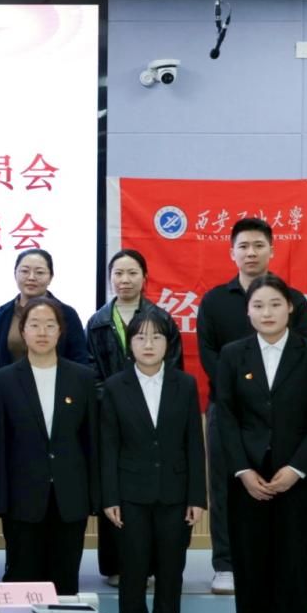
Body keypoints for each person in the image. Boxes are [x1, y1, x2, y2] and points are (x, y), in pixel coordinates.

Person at [215, 274, 307, 613]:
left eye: (275, 304)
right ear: (248, 312)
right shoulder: (233, 354)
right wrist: (243, 471)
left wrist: (297, 468)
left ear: (291, 309)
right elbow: (225, 415)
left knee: (295, 568)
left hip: (299, 483)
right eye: (258, 305)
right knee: (250, 568)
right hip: (247, 482)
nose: (266, 312)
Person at [197, 217, 307, 596]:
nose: (251, 252)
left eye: (258, 245)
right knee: (225, 486)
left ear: (272, 250)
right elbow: (209, 355)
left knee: (277, 483)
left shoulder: (293, 301)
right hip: (227, 409)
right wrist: (242, 394)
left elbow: (301, 356)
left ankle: (272, 562)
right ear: (232, 252)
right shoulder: (214, 301)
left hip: (280, 414)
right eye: (243, 246)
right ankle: (226, 564)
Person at [100, 310, 205, 613]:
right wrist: (110, 497)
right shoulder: (115, 386)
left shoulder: (184, 384)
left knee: (171, 572)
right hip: (130, 495)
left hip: (175, 495)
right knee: (132, 571)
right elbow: (108, 446)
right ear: (130, 343)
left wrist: (197, 497)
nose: (148, 344)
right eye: (140, 337)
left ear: (168, 344)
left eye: (156, 337)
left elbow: (194, 443)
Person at [0, 296, 98, 595]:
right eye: (34, 325)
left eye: (50, 325)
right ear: (23, 331)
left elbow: (91, 441)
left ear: (61, 331)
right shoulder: (3, 380)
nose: (42, 332)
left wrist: (94, 496)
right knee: (22, 580)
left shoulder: (82, 378)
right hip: (21, 499)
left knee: (65, 585)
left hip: (70, 498)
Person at [86, 248, 184, 587]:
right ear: (109, 278)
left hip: (155, 418)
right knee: (114, 487)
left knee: (152, 490)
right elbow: (92, 374)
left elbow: (174, 369)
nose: (124, 280)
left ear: (144, 277)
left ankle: (152, 566)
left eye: (132, 273)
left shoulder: (162, 319)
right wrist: (118, 401)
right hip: (110, 417)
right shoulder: (97, 322)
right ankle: (115, 565)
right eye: (118, 273)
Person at [0, 248, 89, 381]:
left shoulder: (66, 314)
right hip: (8, 389)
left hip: (57, 387)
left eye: (39, 272)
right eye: (24, 271)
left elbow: (80, 359)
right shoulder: (1, 315)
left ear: (51, 277)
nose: (31, 277)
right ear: (15, 274)